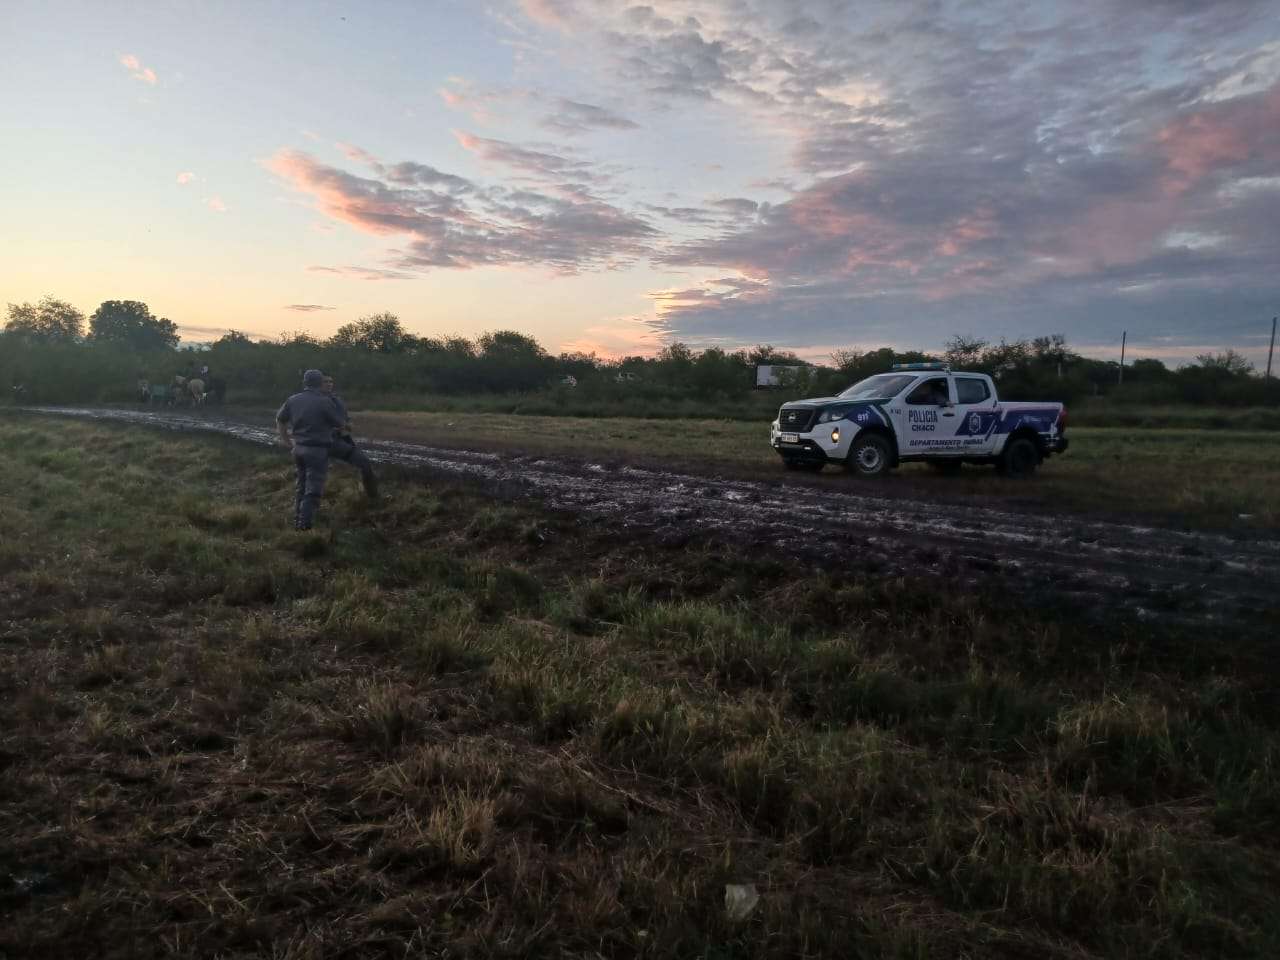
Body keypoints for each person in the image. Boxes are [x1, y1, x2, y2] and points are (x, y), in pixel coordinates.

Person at [276, 369, 345, 530]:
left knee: (301, 487)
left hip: (298, 449)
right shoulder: (324, 401)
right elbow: (340, 423)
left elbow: (280, 420)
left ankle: (297, 521)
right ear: (320, 383)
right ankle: (304, 526)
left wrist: (287, 441)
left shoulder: (293, 399)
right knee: (313, 490)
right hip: (317, 451)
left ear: (304, 383)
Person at [321, 374, 380, 499]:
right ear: (318, 384)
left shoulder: (337, 399)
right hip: (326, 441)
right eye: (325, 381)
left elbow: (345, 418)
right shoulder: (315, 401)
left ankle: (371, 496)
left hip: (342, 438)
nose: (329, 384)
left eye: (331, 381)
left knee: (364, 464)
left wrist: (348, 424)